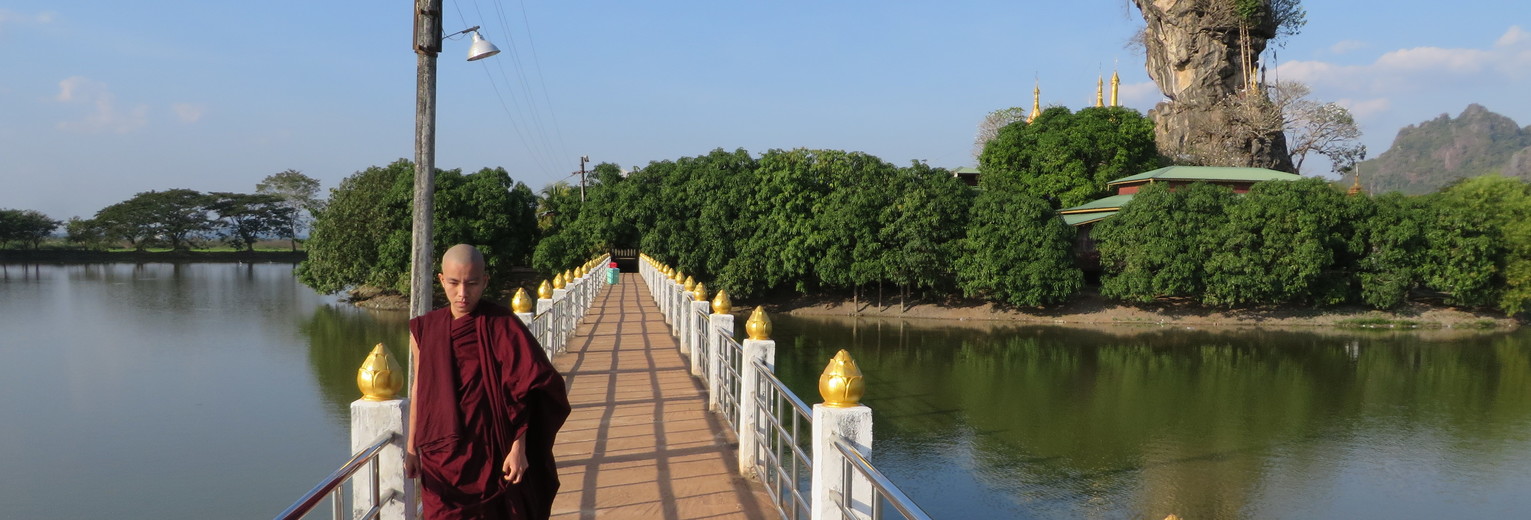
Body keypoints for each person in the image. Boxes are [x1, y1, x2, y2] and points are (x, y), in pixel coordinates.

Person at [405, 244, 570, 519]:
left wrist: (519, 448)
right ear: (441, 280)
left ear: (485, 281)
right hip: (440, 457)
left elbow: (528, 388)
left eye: (471, 284)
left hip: (492, 453)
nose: (462, 294)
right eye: (454, 283)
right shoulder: (424, 329)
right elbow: (420, 389)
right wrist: (411, 448)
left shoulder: (502, 324)